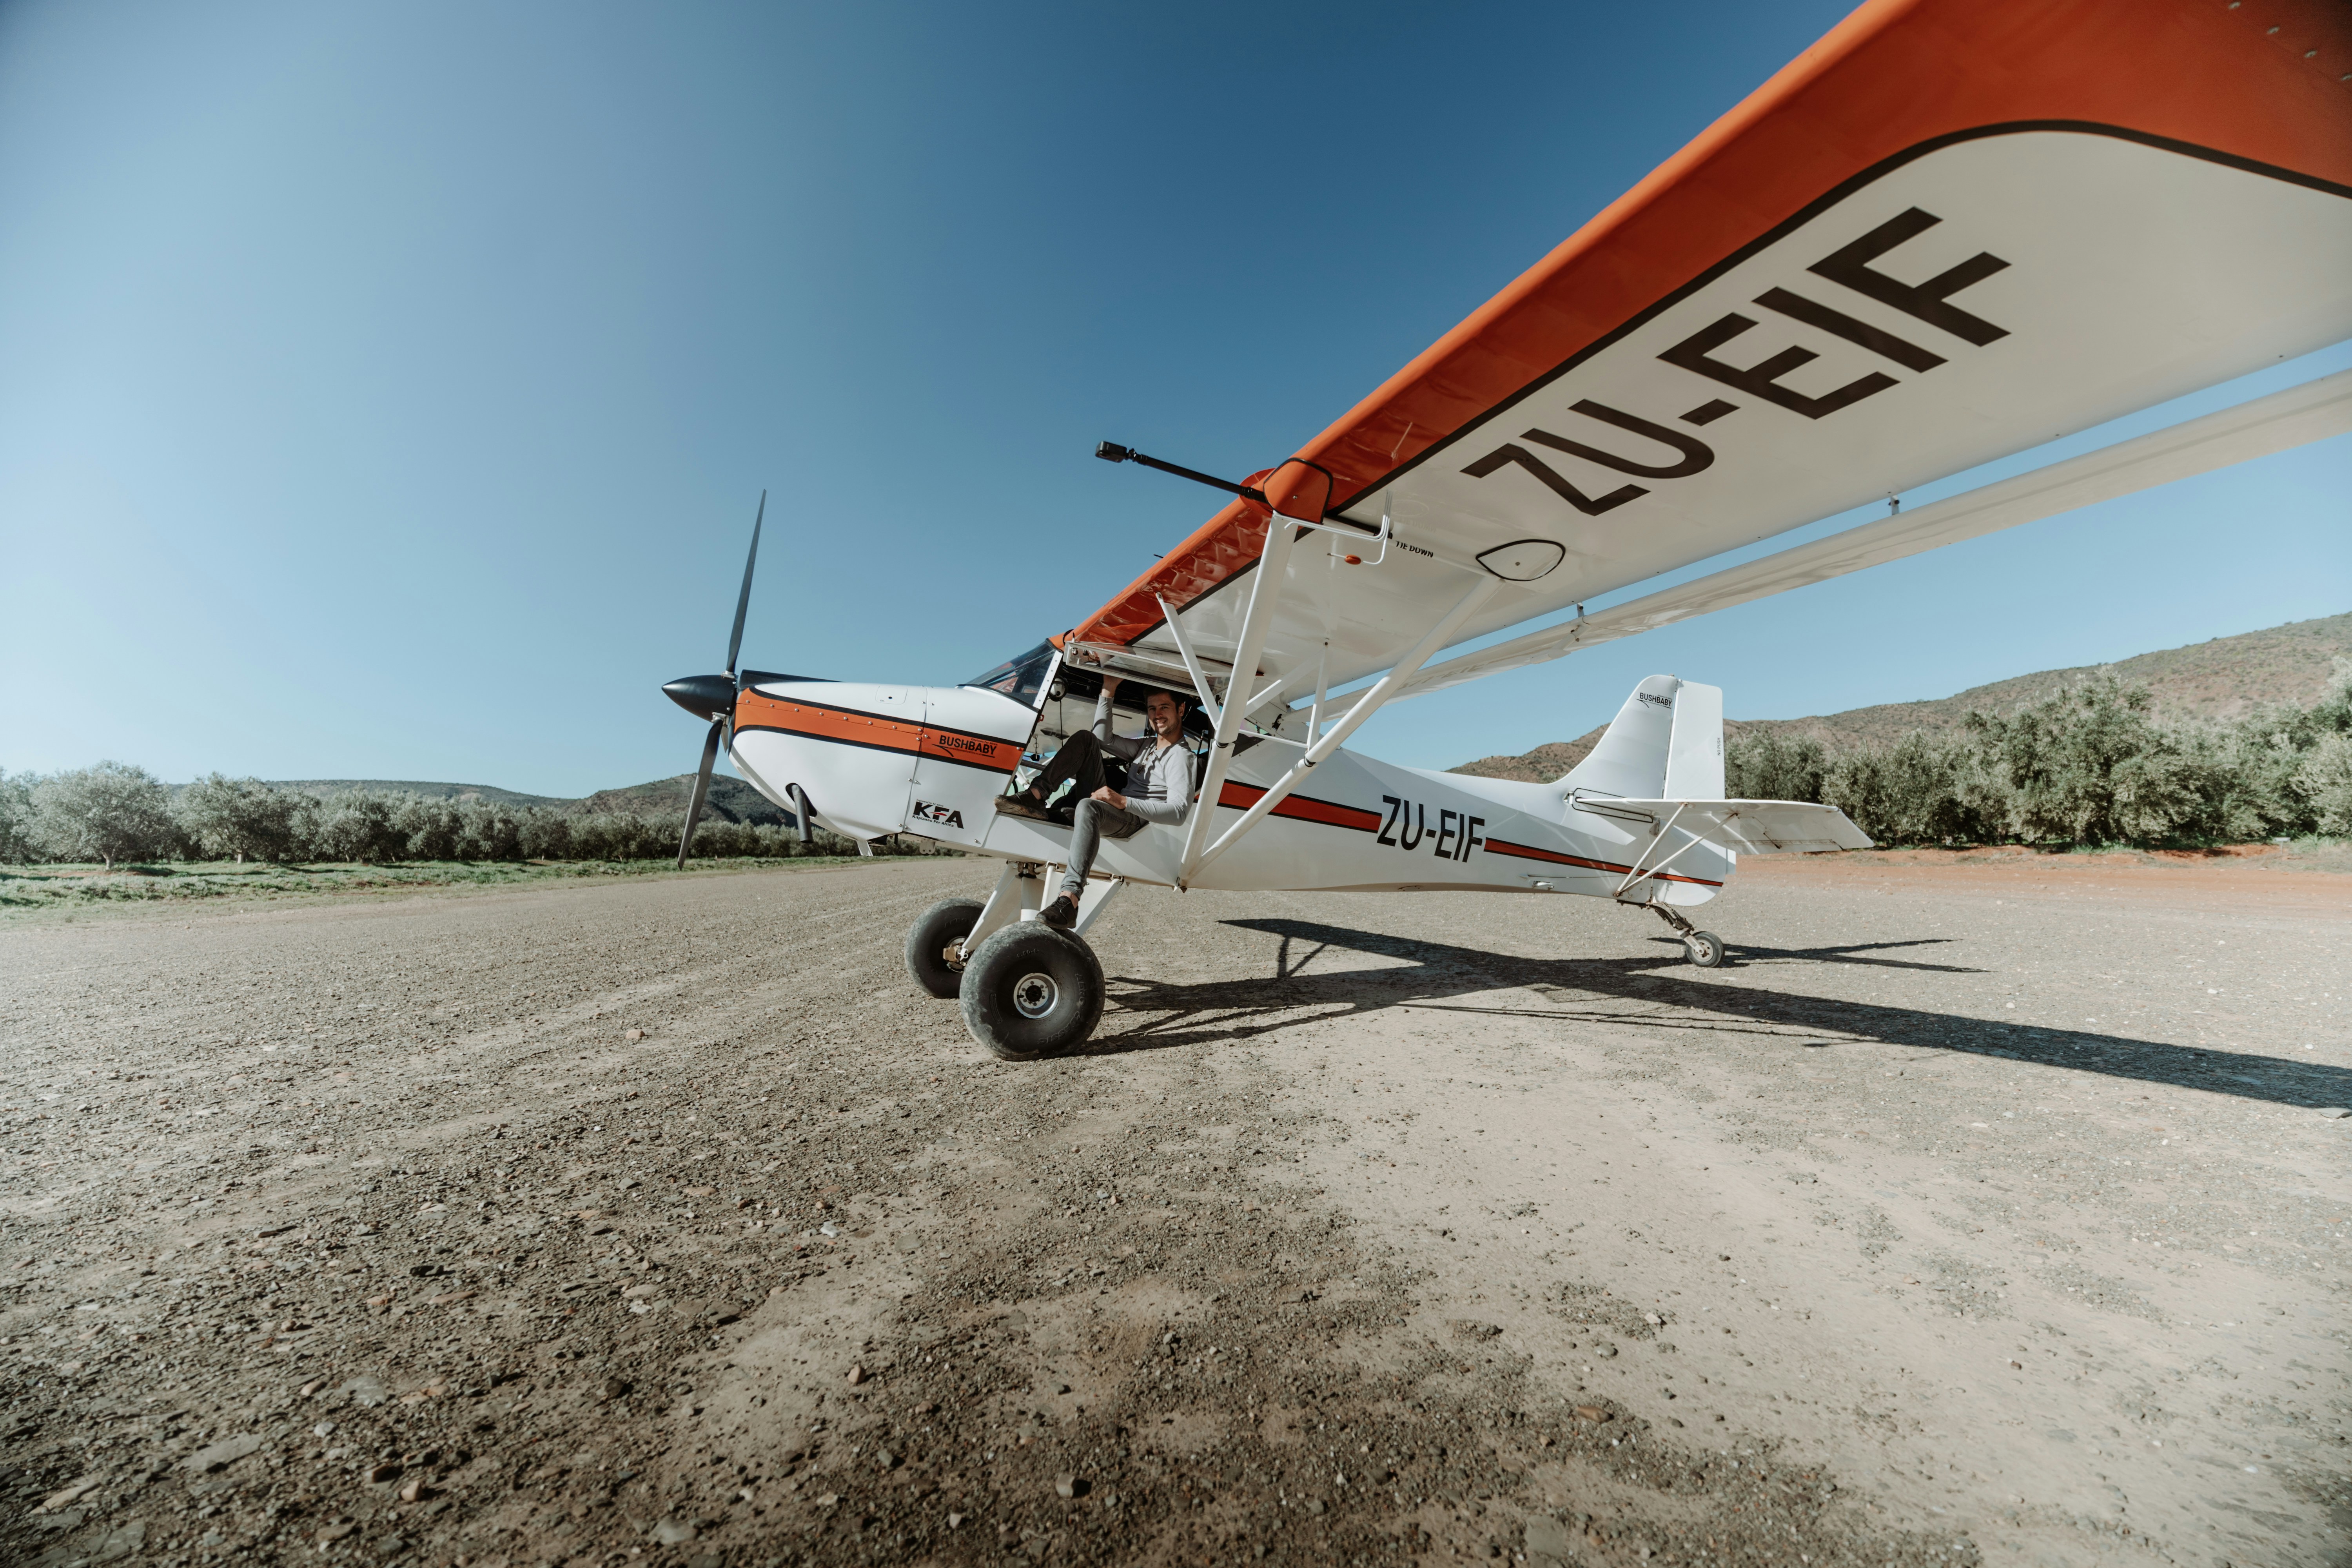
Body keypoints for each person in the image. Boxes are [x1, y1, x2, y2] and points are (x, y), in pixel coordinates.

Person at [995, 675, 1194, 927]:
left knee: (1087, 807)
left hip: (1134, 820)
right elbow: (1102, 738)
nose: (1157, 714)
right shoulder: (1147, 746)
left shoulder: (1182, 757)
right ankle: (1035, 797)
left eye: (1164, 707)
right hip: (1118, 808)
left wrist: (1123, 801)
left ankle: (1070, 900)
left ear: (1181, 709)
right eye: (1152, 709)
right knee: (1085, 740)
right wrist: (1108, 689)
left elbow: (1178, 814)